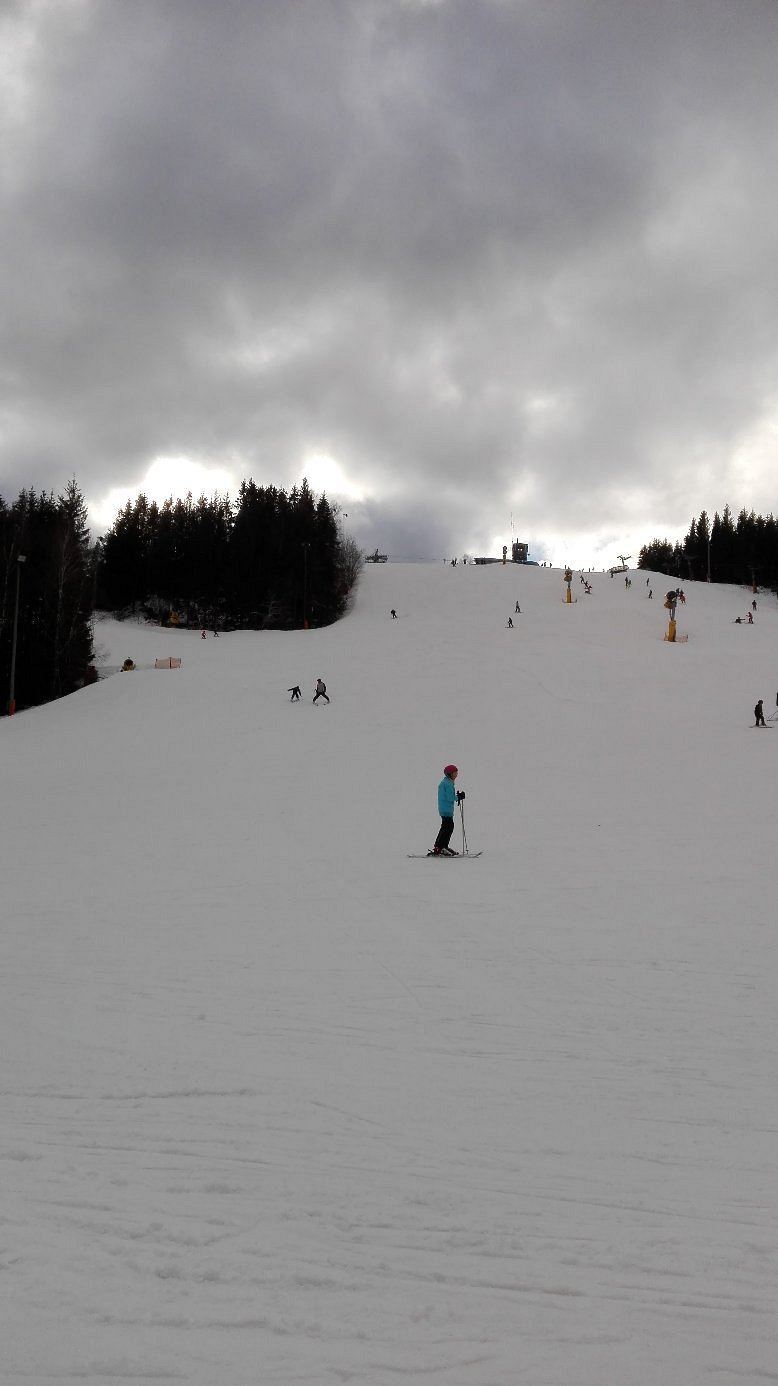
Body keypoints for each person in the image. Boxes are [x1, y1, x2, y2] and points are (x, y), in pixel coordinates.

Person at [429, 764, 462, 856]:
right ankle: (440, 847)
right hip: (446, 810)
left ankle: (443, 846)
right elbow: (450, 797)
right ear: (449, 774)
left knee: (448, 827)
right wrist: (458, 797)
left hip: (446, 809)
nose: (456, 775)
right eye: (455, 773)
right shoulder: (447, 784)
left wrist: (458, 797)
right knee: (447, 827)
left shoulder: (447, 782)